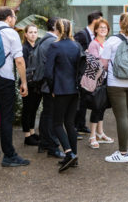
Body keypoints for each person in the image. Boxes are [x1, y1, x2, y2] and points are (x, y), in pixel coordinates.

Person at [0, 7, 30, 167]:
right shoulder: (11, 33)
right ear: (9, 18)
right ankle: (9, 155)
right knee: (6, 116)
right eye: (14, 17)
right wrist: (23, 82)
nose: (15, 20)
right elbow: (20, 60)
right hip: (4, 78)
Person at [101, 12, 128, 163]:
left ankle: (122, 153)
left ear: (120, 23)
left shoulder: (112, 40)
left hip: (116, 83)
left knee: (121, 117)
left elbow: (104, 64)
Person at [44, 18, 82, 172]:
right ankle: (73, 155)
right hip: (75, 89)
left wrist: (52, 88)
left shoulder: (55, 46)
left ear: (57, 30)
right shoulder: (76, 45)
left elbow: (48, 72)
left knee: (57, 123)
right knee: (70, 123)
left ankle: (68, 152)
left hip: (60, 89)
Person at [35, 17, 64, 158]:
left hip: (44, 83)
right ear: (55, 26)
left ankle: (43, 143)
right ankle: (52, 146)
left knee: (46, 114)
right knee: (52, 116)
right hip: (51, 84)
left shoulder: (43, 39)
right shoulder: (53, 42)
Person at [86, 18, 114, 149]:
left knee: (102, 106)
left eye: (105, 28)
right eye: (101, 27)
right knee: (97, 106)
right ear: (96, 29)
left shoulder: (108, 43)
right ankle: (92, 135)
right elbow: (95, 64)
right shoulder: (94, 44)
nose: (103, 29)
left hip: (107, 79)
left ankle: (100, 132)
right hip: (97, 80)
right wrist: (108, 63)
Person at [74, 11, 102, 135]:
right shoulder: (82, 34)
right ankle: (75, 126)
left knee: (85, 100)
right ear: (95, 21)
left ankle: (81, 125)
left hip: (89, 73)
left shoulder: (93, 36)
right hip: (82, 72)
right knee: (80, 101)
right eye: (100, 21)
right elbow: (76, 50)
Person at [21, 24, 41, 147]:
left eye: (35, 32)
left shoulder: (38, 46)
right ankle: (27, 136)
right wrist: (24, 84)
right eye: (31, 32)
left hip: (36, 83)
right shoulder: (24, 48)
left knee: (34, 109)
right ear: (26, 34)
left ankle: (32, 132)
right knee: (27, 109)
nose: (33, 34)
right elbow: (22, 67)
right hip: (27, 83)